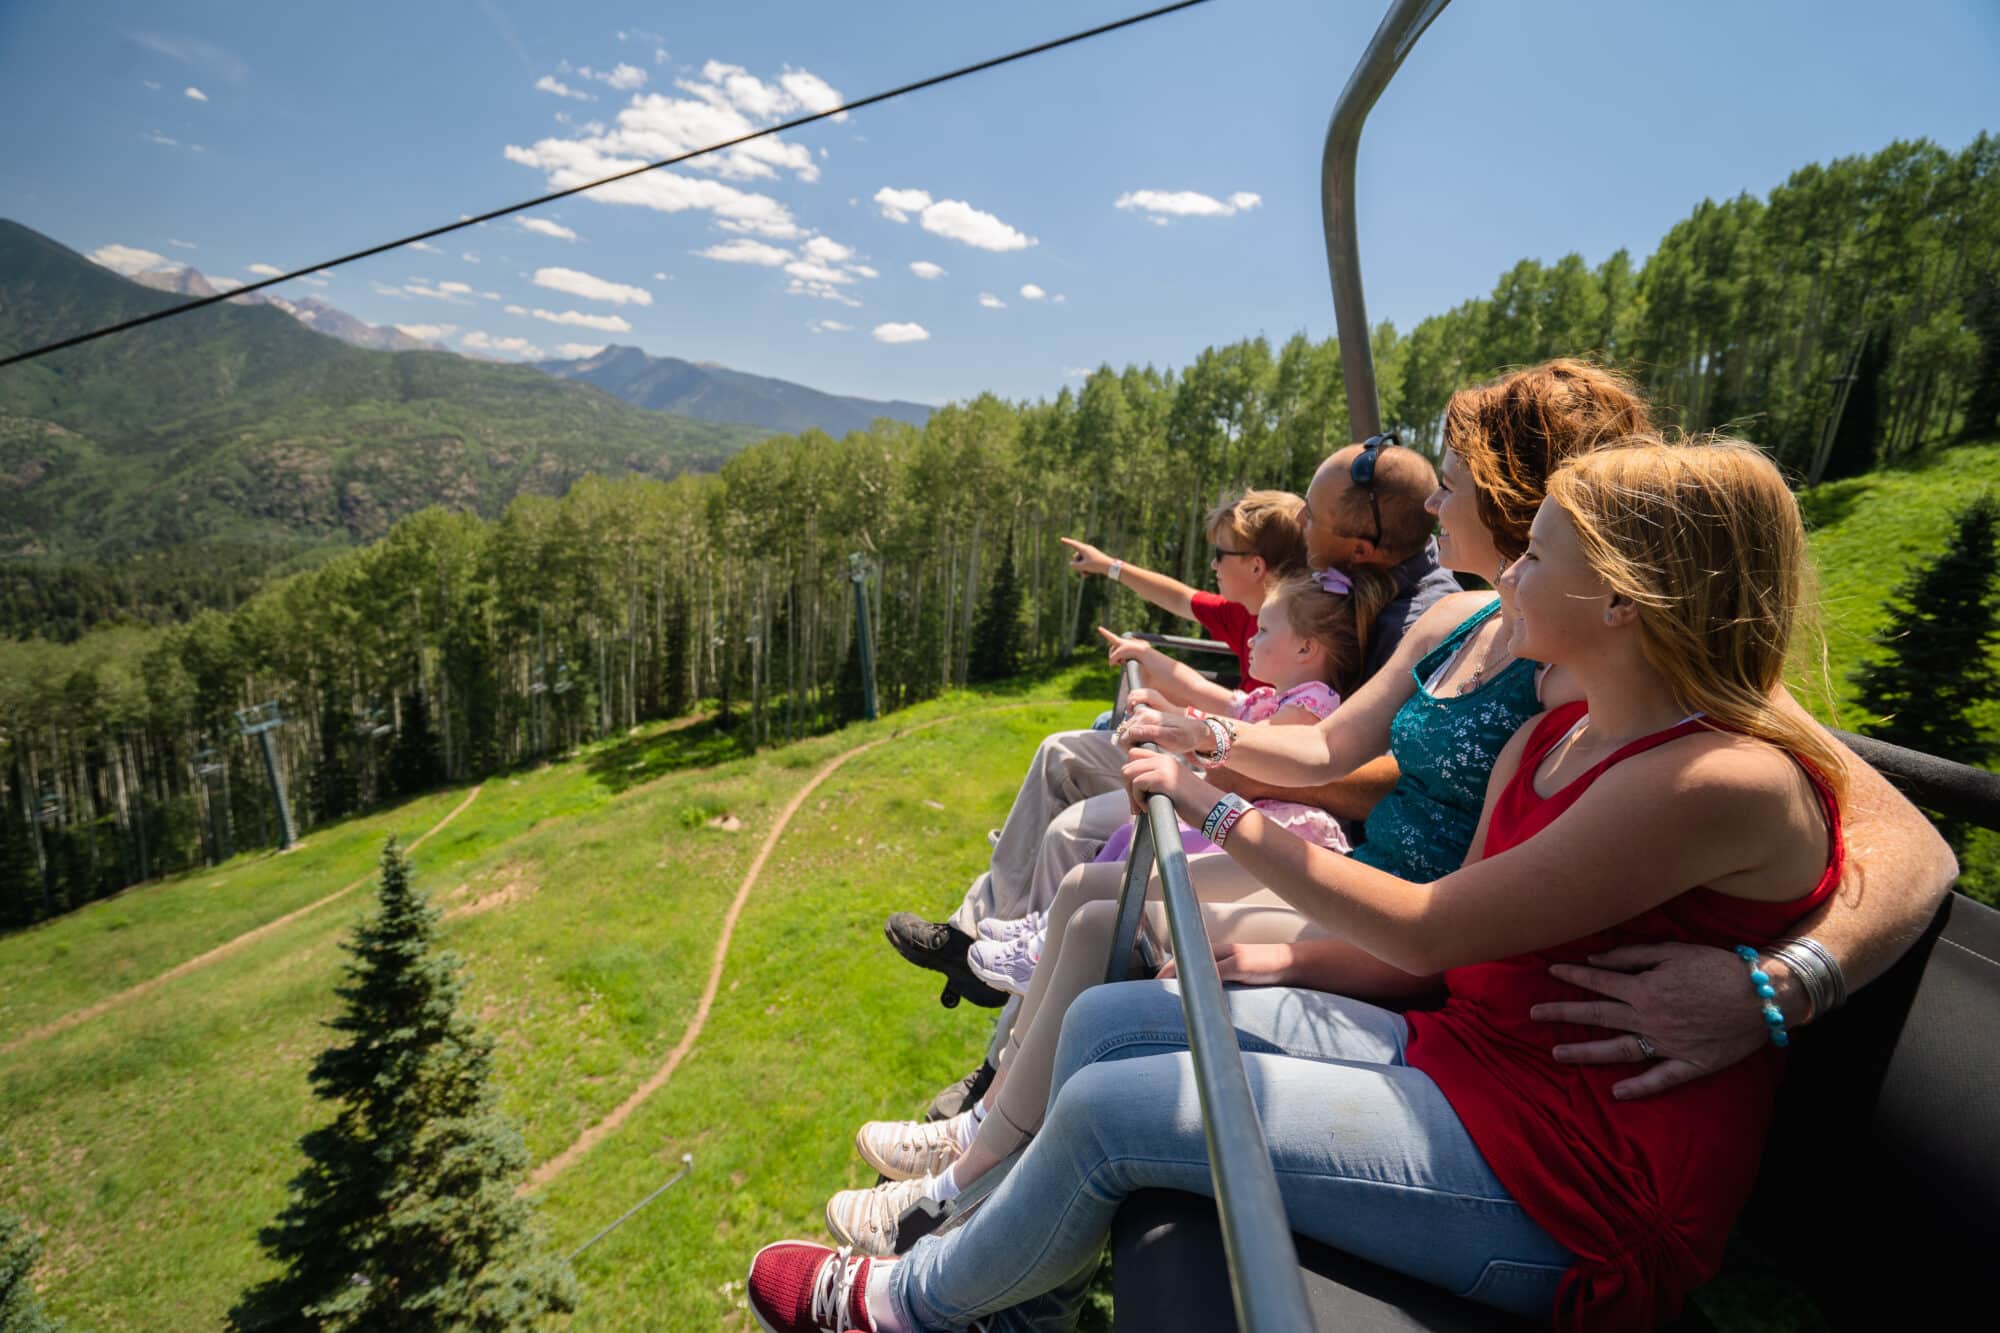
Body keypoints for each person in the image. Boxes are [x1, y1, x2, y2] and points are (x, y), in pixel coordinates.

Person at [738, 437, 1926, 1333]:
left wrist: (1209, 803)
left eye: (1540, 551)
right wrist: (1297, 952)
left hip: (1576, 1186)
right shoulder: (1553, 736)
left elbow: (1428, 918)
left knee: (1113, 1111)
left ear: (1619, 596)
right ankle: (1013, 1273)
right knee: (1107, 1017)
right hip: (1473, 1065)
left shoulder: (1709, 778)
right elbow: (1456, 959)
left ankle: (906, 1305)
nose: (1510, 568)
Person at [825, 359, 1643, 1252]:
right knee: (1095, 893)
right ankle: (984, 1131)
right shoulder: (1469, 621)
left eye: (1449, 489)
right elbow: (1330, 744)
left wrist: (1792, 972)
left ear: (1516, 505)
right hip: (1364, 880)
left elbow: (1773, 750)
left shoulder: (1571, 662)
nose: (1434, 513)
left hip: (1399, 920)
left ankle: (972, 1181)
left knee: (1114, 914)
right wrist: (1207, 740)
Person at [880, 488, 1312, 1012]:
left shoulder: (1278, 629)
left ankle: (980, 945)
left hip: (1212, 770)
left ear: (1257, 565)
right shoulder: (1252, 617)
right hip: (1207, 751)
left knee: (1063, 777)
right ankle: (979, 934)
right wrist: (1113, 571)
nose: (1212, 566)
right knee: (1065, 756)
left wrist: (1181, 707)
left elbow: (1258, 719)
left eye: (1220, 555)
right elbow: (1192, 620)